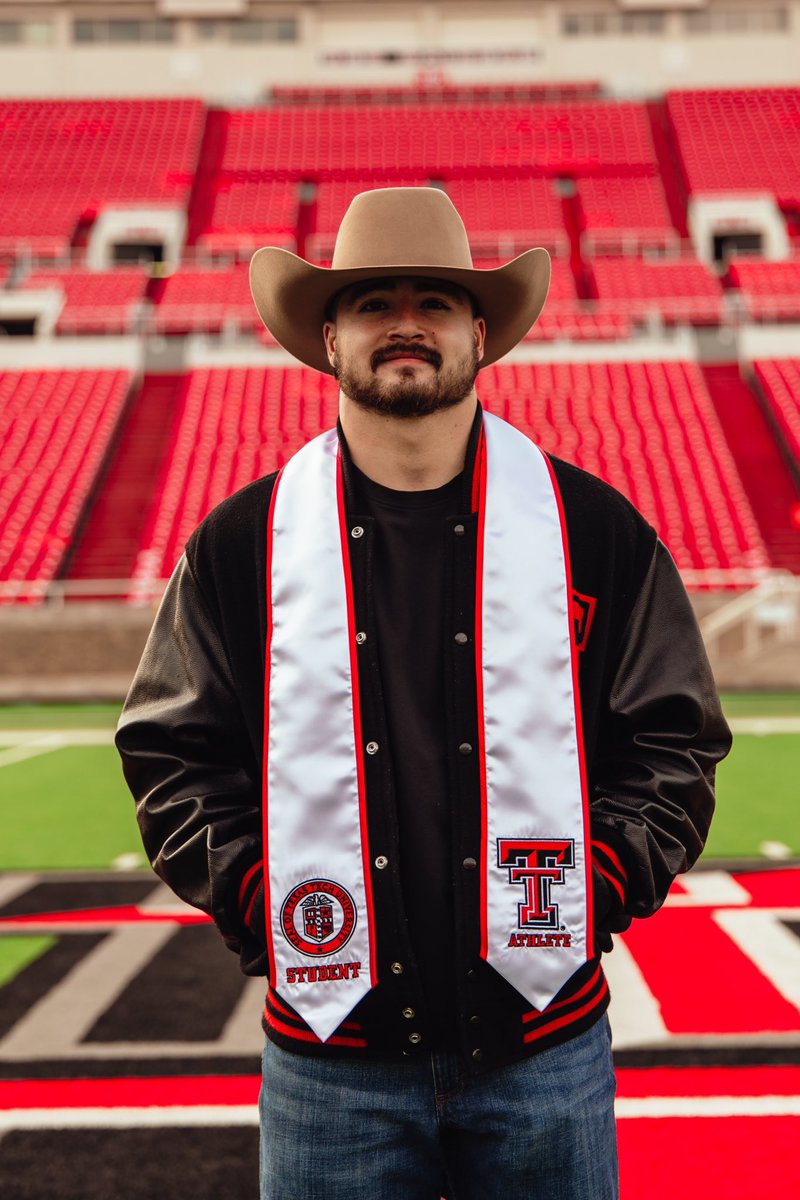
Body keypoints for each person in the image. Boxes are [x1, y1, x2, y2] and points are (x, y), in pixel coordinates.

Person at [116, 187, 732, 1200]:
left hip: (541, 1052)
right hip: (328, 1064)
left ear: (480, 333)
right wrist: (253, 896)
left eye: (434, 301)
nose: (404, 322)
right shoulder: (238, 545)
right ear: (327, 338)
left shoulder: (594, 530)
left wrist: (601, 883)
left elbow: (672, 737)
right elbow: (171, 753)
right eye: (371, 302)